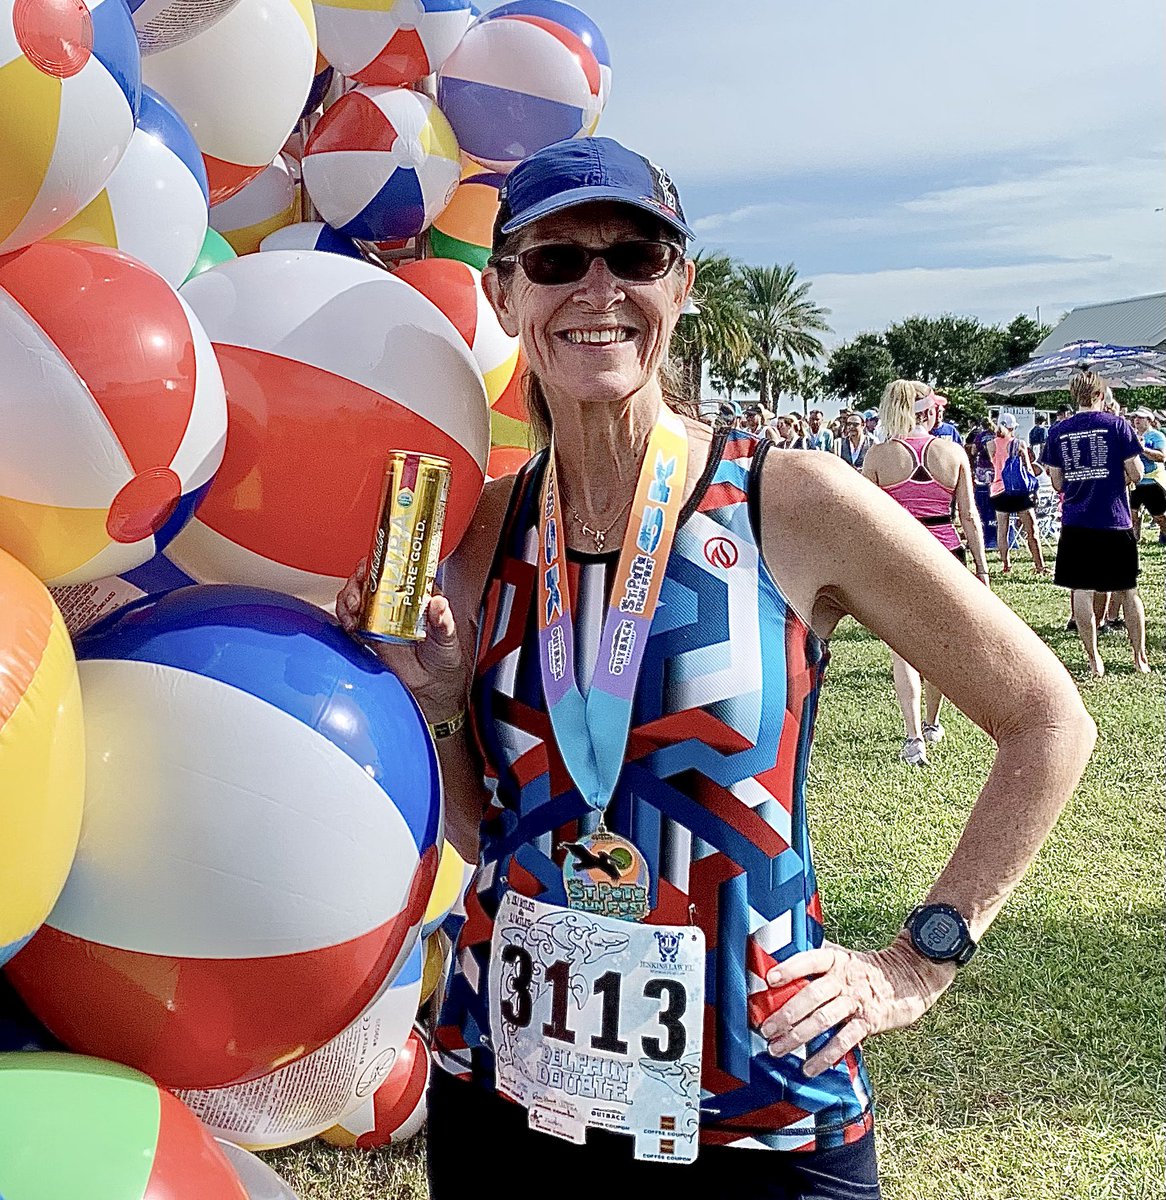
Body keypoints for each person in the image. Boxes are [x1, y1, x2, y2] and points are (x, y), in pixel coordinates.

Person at [336, 136, 1095, 1198]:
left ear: (680, 286)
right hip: (510, 1079)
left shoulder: (791, 501)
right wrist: (440, 704)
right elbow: (485, 832)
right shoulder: (478, 532)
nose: (597, 288)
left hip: (755, 1100)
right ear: (505, 296)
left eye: (633, 256)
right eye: (556, 260)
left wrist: (920, 959)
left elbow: (1047, 719)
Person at [863, 381, 990, 766]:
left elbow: (865, 519)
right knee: (941, 645)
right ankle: (932, 723)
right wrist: (982, 568)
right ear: (926, 411)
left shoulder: (879, 455)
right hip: (947, 553)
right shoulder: (952, 452)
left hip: (901, 553)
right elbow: (969, 516)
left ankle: (913, 736)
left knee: (903, 648)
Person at [1043, 370, 1148, 676]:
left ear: (1075, 395)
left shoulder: (1058, 430)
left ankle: (1093, 660)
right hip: (1115, 520)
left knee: (1082, 591)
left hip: (1076, 521)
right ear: (1100, 395)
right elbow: (1137, 473)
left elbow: (1057, 482)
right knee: (1128, 590)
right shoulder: (1117, 425)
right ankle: (1139, 657)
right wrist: (1119, 479)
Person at [988, 413, 1046, 575]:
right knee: (1031, 530)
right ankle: (1039, 566)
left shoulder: (990, 445)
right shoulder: (1019, 444)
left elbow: (995, 464)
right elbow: (1028, 469)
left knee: (1002, 530)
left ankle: (1006, 565)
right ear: (1013, 427)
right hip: (1018, 490)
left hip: (998, 489)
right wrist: (1034, 490)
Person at [1130, 408, 1166, 543]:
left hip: (1152, 481)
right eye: (1135, 417)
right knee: (1133, 513)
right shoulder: (1131, 435)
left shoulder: (1157, 436)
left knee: (1158, 516)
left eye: (1141, 417)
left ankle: (1164, 533)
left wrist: (1143, 449)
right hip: (1134, 482)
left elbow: (1162, 457)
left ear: (1149, 420)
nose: (1137, 420)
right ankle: (1134, 539)